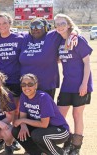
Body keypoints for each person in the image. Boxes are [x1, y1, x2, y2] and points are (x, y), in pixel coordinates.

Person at [54, 14, 93, 155]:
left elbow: (87, 62)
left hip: (80, 85)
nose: (60, 26)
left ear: (69, 24)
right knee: (59, 115)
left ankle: (76, 147)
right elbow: (60, 59)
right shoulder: (60, 41)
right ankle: (68, 141)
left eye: (62, 23)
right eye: (57, 24)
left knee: (77, 115)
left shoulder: (78, 39)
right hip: (67, 85)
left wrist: (84, 84)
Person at [12, 73, 70, 155]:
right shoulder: (23, 96)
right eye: (23, 84)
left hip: (60, 131)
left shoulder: (43, 98)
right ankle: (38, 153)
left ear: (36, 85)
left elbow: (44, 124)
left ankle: (60, 153)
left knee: (38, 135)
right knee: (16, 130)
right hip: (42, 130)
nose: (26, 87)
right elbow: (22, 115)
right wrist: (23, 125)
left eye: (30, 84)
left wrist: (23, 120)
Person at [0, 13, 23, 151]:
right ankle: (2, 138)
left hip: (16, 79)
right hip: (1, 81)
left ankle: (14, 138)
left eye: (5, 23)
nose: (2, 26)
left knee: (15, 111)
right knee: (2, 110)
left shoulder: (19, 38)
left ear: (10, 23)